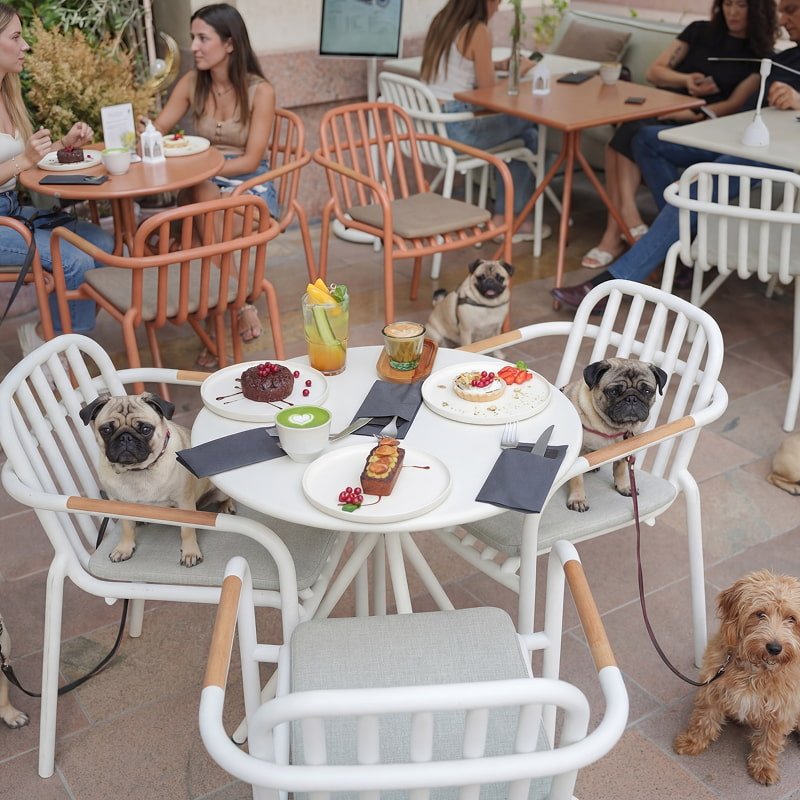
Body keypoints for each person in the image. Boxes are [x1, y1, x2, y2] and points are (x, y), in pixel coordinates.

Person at [551, 0, 800, 311]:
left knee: (696, 186)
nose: (783, 19)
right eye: (782, 10)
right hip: (735, 139)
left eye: (791, 10)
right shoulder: (783, 57)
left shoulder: (768, 55)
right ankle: (687, 241)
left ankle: (612, 285)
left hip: (773, 156)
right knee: (645, 139)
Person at [580, 0, 778, 270]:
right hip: (665, 109)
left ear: (757, 10)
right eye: (727, 4)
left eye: (741, 5)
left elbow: (735, 104)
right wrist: (685, 81)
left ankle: (615, 234)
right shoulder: (699, 31)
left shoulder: (760, 56)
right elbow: (655, 71)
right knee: (627, 130)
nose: (732, 12)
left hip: (701, 123)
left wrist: (694, 113)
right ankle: (627, 221)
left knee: (627, 135)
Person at [145, 3, 278, 357]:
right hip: (204, 190)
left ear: (229, 43)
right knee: (201, 202)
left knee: (193, 229)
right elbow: (157, 129)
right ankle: (238, 305)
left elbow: (251, 159)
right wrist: (139, 132)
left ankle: (217, 326)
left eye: (203, 38)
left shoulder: (260, 91)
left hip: (249, 188)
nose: (195, 47)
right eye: (193, 38)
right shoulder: (192, 83)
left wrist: (202, 169)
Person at [0, 5, 115, 356]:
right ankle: (64, 356)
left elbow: (25, 158)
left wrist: (65, 144)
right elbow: (22, 161)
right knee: (74, 261)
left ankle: (46, 337)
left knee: (102, 244)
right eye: (16, 37)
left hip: (11, 211)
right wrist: (25, 159)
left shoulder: (7, 93)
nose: (25, 46)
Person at [420, 0, 550, 243]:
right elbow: (489, 95)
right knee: (530, 125)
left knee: (527, 135)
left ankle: (505, 218)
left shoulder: (442, 22)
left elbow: (458, 68)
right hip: (458, 132)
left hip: (429, 131)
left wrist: (494, 65)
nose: (498, 7)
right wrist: (519, 70)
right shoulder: (477, 30)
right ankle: (512, 219)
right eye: (497, 1)